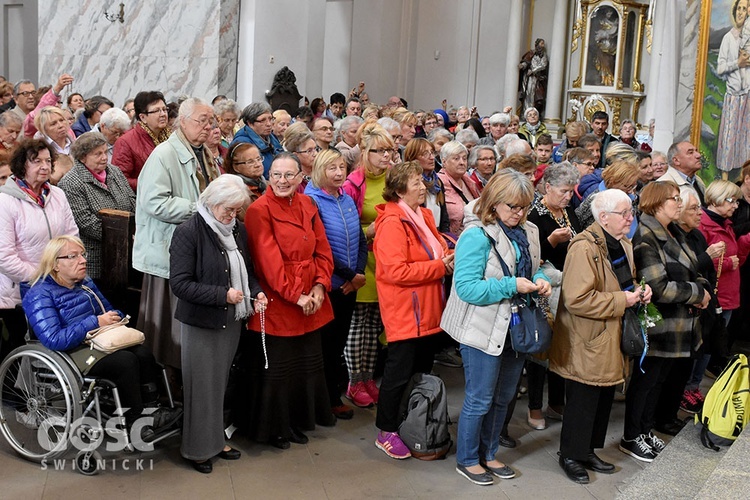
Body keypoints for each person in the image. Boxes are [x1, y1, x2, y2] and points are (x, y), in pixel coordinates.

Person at [442, 169, 550, 484]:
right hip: (481, 328)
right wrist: (511, 284)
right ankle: (467, 459)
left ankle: (489, 454)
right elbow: (467, 289)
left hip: (515, 328)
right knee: (480, 398)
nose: (519, 213)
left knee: (504, 397)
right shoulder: (476, 235)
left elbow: (537, 266)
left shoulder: (529, 230)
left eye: (524, 207)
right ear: (493, 203)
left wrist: (540, 281)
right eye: (511, 207)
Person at [21, 236, 182, 441]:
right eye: (73, 256)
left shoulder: (85, 283)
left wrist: (116, 317)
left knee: (143, 354)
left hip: (96, 341)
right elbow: (54, 339)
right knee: (125, 362)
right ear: (55, 264)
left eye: (82, 254)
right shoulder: (39, 294)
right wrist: (95, 322)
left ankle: (152, 411)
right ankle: (135, 419)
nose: (82, 260)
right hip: (67, 353)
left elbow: (107, 309)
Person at [550, 189, 651, 484]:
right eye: (625, 213)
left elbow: (625, 281)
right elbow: (577, 300)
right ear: (603, 217)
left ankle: (588, 451)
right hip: (589, 337)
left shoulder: (620, 243)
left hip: (611, 333)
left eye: (631, 212)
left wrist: (640, 292)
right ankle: (570, 454)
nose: (630, 218)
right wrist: (624, 300)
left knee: (604, 396)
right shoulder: (583, 247)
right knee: (584, 398)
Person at [169, 175, 266, 474]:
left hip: (230, 320)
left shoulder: (237, 229)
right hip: (202, 322)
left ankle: (214, 440)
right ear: (210, 202)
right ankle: (197, 449)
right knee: (201, 387)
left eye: (236, 210)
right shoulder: (189, 232)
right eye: (227, 209)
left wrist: (256, 291)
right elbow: (180, 284)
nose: (232, 216)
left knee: (219, 384)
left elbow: (246, 269)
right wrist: (222, 295)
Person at [244, 152, 337, 449]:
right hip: (280, 302)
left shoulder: (308, 203)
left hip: (311, 296)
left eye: (288, 175)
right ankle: (276, 429)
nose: (282, 181)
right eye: (276, 175)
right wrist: (297, 296)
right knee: (279, 372)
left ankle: (298, 422)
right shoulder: (259, 210)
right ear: (269, 178)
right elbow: (268, 264)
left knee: (305, 367)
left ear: (300, 178)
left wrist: (322, 285)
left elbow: (323, 247)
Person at [133, 98, 220, 372]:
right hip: (168, 251)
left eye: (211, 121)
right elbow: (154, 202)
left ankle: (188, 373)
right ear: (182, 122)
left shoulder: (203, 152)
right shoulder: (164, 154)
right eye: (201, 121)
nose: (208, 127)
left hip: (197, 248)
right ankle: (164, 379)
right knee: (167, 324)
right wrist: (200, 209)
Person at [373, 160, 453, 460]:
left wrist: (447, 256)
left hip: (428, 308)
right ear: (398, 190)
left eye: (422, 180)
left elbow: (436, 248)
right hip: (406, 310)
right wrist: (439, 267)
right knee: (398, 372)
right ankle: (386, 429)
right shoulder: (393, 222)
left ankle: (411, 417)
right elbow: (395, 271)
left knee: (420, 370)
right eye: (416, 182)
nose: (423, 186)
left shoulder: (423, 214)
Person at [624, 181, 708, 463]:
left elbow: (692, 268)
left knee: (658, 382)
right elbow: (659, 287)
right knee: (645, 382)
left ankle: (646, 431)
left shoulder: (673, 232)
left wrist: (703, 288)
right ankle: (632, 435)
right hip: (660, 324)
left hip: (678, 324)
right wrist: (696, 294)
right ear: (658, 202)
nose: (679, 204)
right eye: (674, 199)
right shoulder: (647, 236)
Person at [0, 140, 78, 361]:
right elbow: (4, 257)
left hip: (57, 284)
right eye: (37, 161)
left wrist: (68, 266)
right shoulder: (5, 201)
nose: (45, 166)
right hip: (19, 290)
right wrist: (42, 277)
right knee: (19, 350)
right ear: (22, 165)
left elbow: (71, 235)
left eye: (48, 161)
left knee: (53, 345)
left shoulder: (57, 195)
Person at [305, 149, 367, 421]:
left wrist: (358, 273)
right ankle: (324, 400)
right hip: (329, 284)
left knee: (338, 342)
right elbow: (322, 246)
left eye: (342, 167)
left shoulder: (347, 200)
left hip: (349, 283)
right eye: (332, 168)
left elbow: (360, 239)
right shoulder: (312, 200)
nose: (339, 173)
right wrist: (348, 275)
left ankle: (333, 395)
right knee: (326, 346)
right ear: (320, 170)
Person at [342, 123, 396, 407]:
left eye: (390, 150)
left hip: (387, 259)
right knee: (358, 324)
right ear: (366, 152)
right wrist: (369, 231)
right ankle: (354, 381)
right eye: (381, 151)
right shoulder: (353, 183)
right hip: (363, 260)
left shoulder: (391, 180)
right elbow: (344, 230)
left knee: (376, 322)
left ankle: (368, 379)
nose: (387, 156)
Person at [525, 163, 582, 430]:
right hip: (544, 286)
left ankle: (556, 402)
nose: (568, 196)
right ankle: (534, 406)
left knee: (563, 345)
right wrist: (552, 241)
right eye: (563, 191)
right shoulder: (534, 214)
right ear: (547, 188)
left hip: (569, 284)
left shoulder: (570, 211)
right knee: (541, 348)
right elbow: (532, 257)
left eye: (571, 191)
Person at [57, 132, 135, 281]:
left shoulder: (115, 171)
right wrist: (122, 236)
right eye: (97, 154)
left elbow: (132, 200)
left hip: (126, 251)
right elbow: (85, 222)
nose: (104, 157)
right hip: (97, 257)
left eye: (105, 152)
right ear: (83, 157)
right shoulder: (71, 183)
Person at [699, 180, 750, 373]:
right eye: (732, 201)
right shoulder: (703, 224)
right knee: (704, 346)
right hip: (712, 295)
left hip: (727, 295)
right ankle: (691, 387)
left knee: (714, 345)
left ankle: (695, 387)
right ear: (718, 199)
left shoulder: (727, 224)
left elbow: (738, 258)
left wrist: (745, 241)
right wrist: (728, 262)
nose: (736, 206)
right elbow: (698, 260)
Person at [112, 91, 171, 191]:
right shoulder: (126, 142)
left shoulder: (171, 136)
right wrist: (150, 185)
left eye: (164, 109)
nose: (163, 114)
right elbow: (119, 180)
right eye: (157, 111)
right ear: (143, 117)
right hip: (144, 199)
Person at [716, 0, 750, 172]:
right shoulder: (728, 38)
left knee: (745, 140)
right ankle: (724, 177)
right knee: (729, 139)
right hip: (733, 96)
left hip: (748, 96)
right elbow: (720, 68)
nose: (740, 12)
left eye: (744, 9)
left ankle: (742, 178)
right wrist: (737, 63)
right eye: (738, 8)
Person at [404, 138, 449, 232]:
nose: (432, 157)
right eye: (425, 154)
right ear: (413, 158)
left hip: (438, 235)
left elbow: (444, 218)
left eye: (432, 152)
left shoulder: (437, 182)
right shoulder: (409, 184)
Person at [438, 141, 480, 235]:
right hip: (452, 240)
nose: (462, 162)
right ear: (444, 162)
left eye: (464, 158)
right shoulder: (438, 183)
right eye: (456, 159)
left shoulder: (469, 181)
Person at [232, 102, 284, 178]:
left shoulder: (272, 137)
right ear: (250, 123)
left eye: (270, 119)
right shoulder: (242, 144)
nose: (269, 124)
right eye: (263, 120)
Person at [33, 106, 75, 183]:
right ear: (44, 129)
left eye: (62, 120)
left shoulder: (76, 145)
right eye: (53, 124)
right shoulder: (38, 151)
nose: (60, 125)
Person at [519, 39, 549, 116]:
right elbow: (526, 61)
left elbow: (543, 65)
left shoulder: (543, 55)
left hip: (537, 78)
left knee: (535, 95)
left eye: (543, 44)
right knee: (528, 94)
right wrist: (523, 65)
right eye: (541, 43)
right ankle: (526, 113)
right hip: (529, 78)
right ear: (537, 44)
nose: (543, 45)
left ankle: (533, 113)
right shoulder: (531, 53)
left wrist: (533, 70)